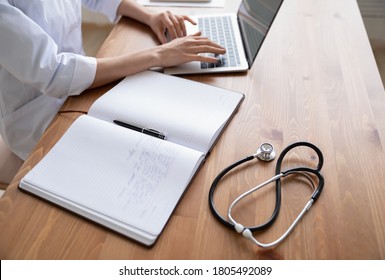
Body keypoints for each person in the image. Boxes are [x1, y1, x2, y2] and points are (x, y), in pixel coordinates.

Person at [0, 0, 225, 186]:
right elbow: (56, 74)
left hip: (83, 88)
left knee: (175, 117)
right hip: (38, 117)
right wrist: (158, 55)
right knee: (149, 165)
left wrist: (149, 16)